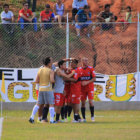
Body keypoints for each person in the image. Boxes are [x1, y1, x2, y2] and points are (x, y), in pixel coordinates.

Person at [29, 57, 55, 124]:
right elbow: (52, 81)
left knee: (38, 104)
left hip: (41, 89)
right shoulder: (51, 71)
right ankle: (52, 120)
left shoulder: (40, 70)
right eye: (51, 61)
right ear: (49, 63)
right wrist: (54, 80)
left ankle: (32, 117)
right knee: (51, 104)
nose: (52, 63)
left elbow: (37, 81)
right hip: (48, 89)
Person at [80, 57, 96, 122]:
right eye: (85, 61)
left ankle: (92, 117)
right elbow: (77, 78)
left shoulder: (91, 69)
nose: (86, 62)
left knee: (90, 102)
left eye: (87, 60)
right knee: (83, 103)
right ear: (82, 62)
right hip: (82, 89)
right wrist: (80, 82)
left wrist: (87, 82)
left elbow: (94, 78)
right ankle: (84, 118)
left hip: (90, 88)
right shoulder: (79, 69)